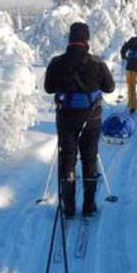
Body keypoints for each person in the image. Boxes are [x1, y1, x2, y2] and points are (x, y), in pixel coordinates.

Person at [44, 22, 115, 219]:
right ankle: (89, 206)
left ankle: (68, 208)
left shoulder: (56, 62)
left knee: (67, 158)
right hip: (91, 118)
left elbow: (48, 88)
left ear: (70, 38)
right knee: (89, 158)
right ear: (87, 40)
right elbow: (109, 87)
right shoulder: (97, 62)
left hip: (65, 118)